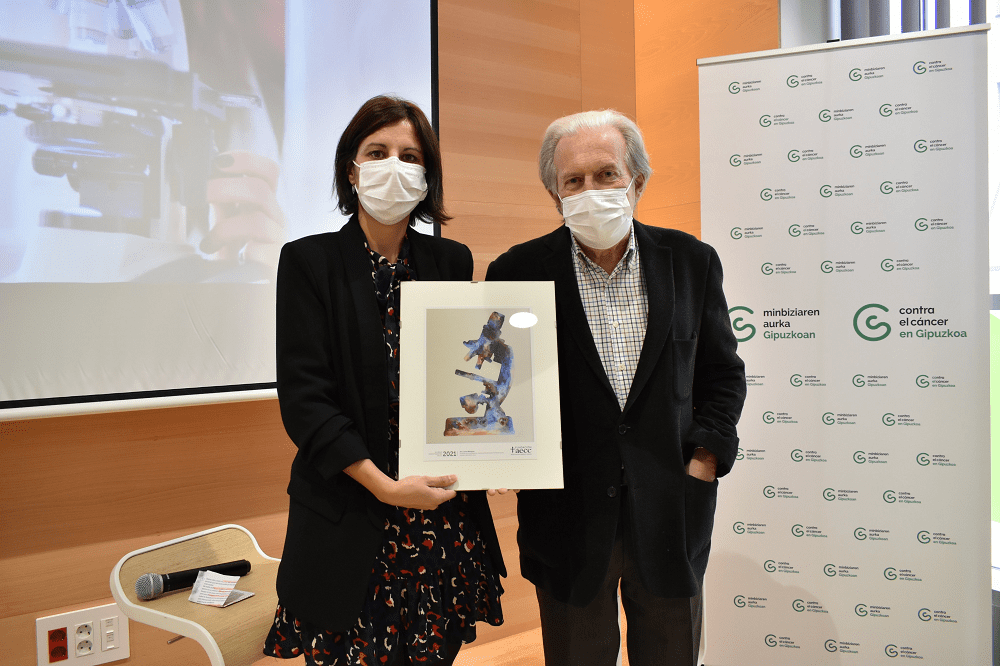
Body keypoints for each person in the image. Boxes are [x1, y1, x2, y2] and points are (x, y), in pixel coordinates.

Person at [485, 110, 746, 666]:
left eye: (607, 174)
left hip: (672, 509)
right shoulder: (516, 270)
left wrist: (705, 458)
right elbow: (499, 379)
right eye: (573, 180)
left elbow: (722, 374)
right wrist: (496, 450)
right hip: (566, 517)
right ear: (554, 194)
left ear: (638, 181)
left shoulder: (692, 262)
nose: (591, 190)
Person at [264, 95, 505, 666]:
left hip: (440, 519)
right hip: (351, 516)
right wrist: (386, 487)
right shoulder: (309, 262)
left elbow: (466, 372)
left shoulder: (451, 261)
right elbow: (305, 402)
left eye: (409, 155)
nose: (394, 166)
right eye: (377, 152)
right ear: (351, 170)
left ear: (427, 177)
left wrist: (492, 448)